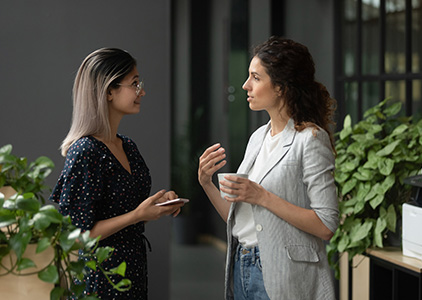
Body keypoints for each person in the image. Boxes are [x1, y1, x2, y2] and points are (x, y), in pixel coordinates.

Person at [198, 36, 339, 300]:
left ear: (281, 87)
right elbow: (239, 220)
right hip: (243, 264)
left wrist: (262, 196)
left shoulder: (310, 139)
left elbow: (327, 224)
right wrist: (206, 183)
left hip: (284, 272)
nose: (245, 85)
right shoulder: (258, 138)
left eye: (255, 77)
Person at [50, 48, 184, 299]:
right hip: (101, 278)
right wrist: (136, 215)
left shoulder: (128, 146)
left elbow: (123, 209)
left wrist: (157, 206)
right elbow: (75, 237)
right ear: (109, 91)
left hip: (132, 271)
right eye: (135, 83)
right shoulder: (85, 151)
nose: (142, 91)